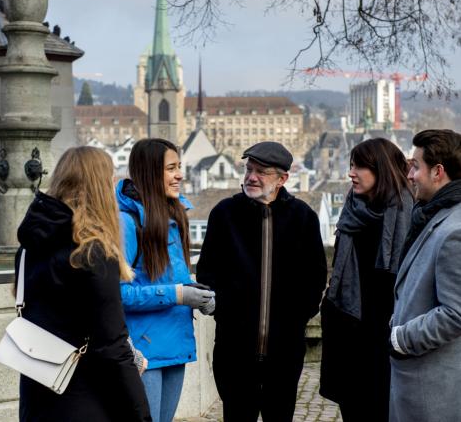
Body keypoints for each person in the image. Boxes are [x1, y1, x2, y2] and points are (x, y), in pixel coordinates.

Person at [16, 147, 151, 422]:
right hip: (85, 397)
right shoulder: (92, 252)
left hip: (37, 392)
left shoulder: (31, 243)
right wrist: (142, 415)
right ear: (100, 187)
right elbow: (112, 345)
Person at [196, 141, 327, 422]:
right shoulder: (224, 214)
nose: (251, 177)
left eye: (261, 172)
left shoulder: (304, 218)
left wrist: (295, 319)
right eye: (248, 169)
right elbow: (207, 273)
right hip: (234, 351)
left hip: (284, 351)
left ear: (282, 179)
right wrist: (227, 314)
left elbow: (315, 279)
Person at [116, 138, 215, 422]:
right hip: (143, 352)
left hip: (173, 345)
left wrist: (197, 295)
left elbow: (173, 279)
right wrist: (179, 295)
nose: (180, 175)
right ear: (149, 172)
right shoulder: (126, 222)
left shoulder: (174, 215)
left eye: (179, 167)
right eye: (171, 168)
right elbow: (119, 294)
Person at [319, 138, 414, 422]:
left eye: (360, 166)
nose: (351, 173)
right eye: (351, 165)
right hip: (349, 335)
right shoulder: (351, 210)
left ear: (381, 169)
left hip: (388, 338)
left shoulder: (409, 213)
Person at [389, 129, 461, 422]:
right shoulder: (437, 215)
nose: (409, 175)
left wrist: (401, 338)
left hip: (431, 391)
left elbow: (456, 313)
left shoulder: (454, 230)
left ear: (438, 172)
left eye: (416, 166)